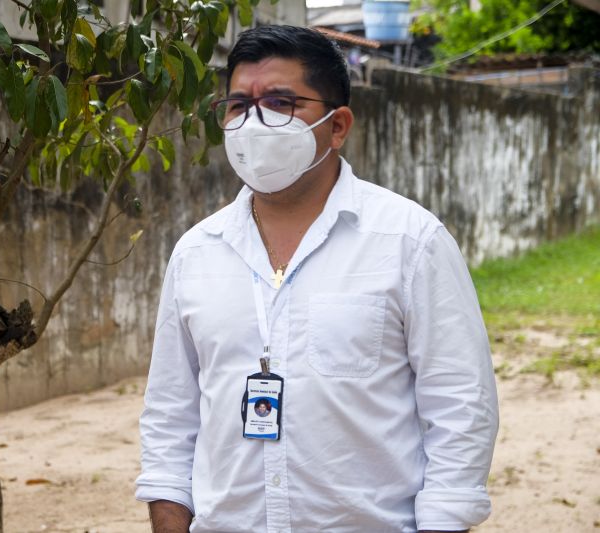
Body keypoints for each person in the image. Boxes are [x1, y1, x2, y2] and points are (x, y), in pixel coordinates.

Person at [136, 25, 499, 533]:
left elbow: (460, 405)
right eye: (240, 105)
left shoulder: (409, 241)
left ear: (337, 126)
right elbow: (171, 416)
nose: (255, 122)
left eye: (282, 102)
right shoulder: (197, 253)